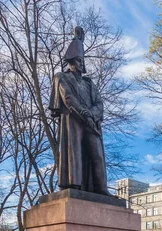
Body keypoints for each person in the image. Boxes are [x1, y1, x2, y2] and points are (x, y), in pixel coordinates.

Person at [48, 26, 109, 195]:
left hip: (91, 124)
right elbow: (68, 98)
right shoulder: (62, 77)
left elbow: (99, 103)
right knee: (74, 154)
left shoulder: (89, 83)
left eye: (82, 61)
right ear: (71, 62)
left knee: (97, 156)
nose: (80, 64)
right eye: (77, 61)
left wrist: (93, 114)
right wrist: (84, 113)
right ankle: (73, 186)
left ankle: (102, 189)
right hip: (74, 120)